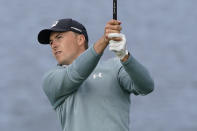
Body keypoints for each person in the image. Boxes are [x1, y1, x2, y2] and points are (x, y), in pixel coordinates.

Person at [37, 18, 154, 131]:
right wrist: (104, 40)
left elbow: (146, 87)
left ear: (80, 39)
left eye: (59, 37)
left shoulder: (115, 67)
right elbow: (74, 75)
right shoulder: (51, 78)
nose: (53, 45)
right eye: (51, 42)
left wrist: (125, 56)